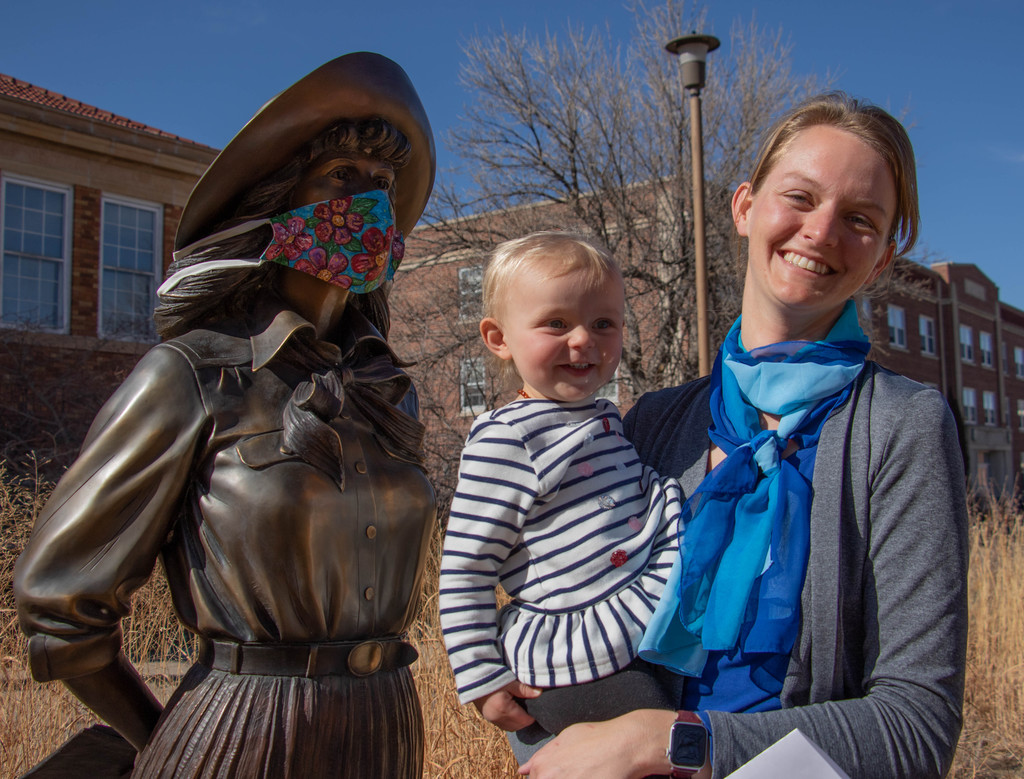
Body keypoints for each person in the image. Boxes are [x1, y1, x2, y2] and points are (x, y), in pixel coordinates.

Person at [519, 93, 968, 779]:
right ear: (744, 207)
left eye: (859, 219)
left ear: (879, 260)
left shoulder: (900, 425)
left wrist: (668, 740)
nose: (820, 232)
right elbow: (554, 614)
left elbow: (916, 725)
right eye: (800, 197)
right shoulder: (651, 424)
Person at [14, 53, 437, 778]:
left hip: (388, 727)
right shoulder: (191, 375)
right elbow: (61, 604)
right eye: (342, 177)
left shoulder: (387, 388)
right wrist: (165, 743)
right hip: (244, 730)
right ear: (277, 202)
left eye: (384, 186)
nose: (373, 205)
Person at [438, 232, 682, 744]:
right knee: (658, 740)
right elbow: (467, 565)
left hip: (630, 618)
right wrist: (481, 677)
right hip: (578, 657)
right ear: (499, 338)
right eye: (556, 322)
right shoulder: (509, 437)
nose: (583, 340)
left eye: (603, 323)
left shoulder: (602, 416)